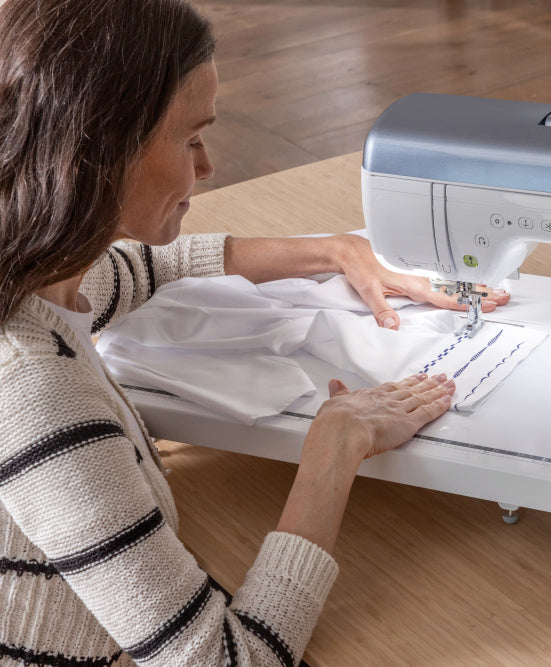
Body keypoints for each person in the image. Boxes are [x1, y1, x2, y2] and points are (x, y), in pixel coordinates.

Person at [0, 0, 509, 664]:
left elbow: (147, 267)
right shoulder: (35, 393)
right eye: (191, 140)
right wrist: (333, 447)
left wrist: (334, 251)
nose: (207, 167)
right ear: (101, 152)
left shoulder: (39, 272)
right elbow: (228, 659)